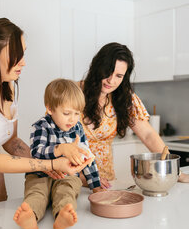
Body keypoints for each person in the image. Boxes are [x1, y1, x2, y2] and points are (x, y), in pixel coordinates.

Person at [0, 18, 91, 211]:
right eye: (15, 54)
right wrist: (49, 165)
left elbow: (11, 141)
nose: (23, 62)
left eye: (23, 53)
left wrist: (49, 164)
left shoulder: (8, 86)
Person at [78, 42, 189, 186]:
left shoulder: (123, 98)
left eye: (119, 76)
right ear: (97, 67)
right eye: (108, 72)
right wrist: (82, 179)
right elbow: (54, 139)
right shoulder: (73, 93)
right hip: (71, 181)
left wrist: (175, 172)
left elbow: (148, 135)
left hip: (105, 182)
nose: (111, 81)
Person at [13, 78, 101, 229]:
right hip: (39, 174)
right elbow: (36, 152)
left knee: (67, 192)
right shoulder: (41, 125)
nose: (72, 119)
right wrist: (60, 149)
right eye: (67, 113)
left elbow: (87, 157)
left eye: (77, 113)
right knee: (36, 193)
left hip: (66, 176)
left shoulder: (77, 128)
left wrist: (96, 185)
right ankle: (30, 217)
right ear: (50, 108)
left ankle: (62, 215)